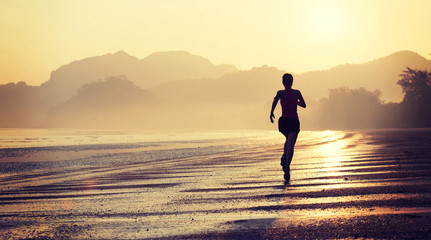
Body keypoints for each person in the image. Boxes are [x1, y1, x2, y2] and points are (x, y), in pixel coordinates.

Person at [270, 73, 306, 181]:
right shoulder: (297, 92)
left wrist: (271, 112)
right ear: (292, 82)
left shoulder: (280, 93)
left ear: (283, 82)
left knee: (288, 140)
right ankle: (287, 165)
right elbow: (304, 105)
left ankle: (285, 155)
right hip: (294, 121)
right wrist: (295, 102)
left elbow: (275, 100)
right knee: (291, 144)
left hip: (284, 121)